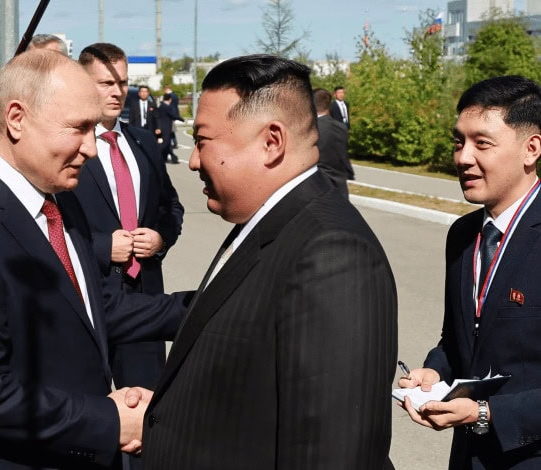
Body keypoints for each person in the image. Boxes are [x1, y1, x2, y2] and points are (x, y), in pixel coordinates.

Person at [0, 49, 188, 470]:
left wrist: (204, 308)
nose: (91, 148)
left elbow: (94, 310)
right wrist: (110, 421)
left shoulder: (60, 203)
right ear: (17, 119)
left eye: (93, 129)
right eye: (79, 128)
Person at [141, 55, 398, 469]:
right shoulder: (267, 219)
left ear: (271, 142)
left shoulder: (333, 254)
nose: (193, 161)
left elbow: (331, 453)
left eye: (203, 141)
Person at [398, 75, 541, 468]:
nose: (462, 157)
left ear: (531, 149)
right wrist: (434, 371)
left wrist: (485, 413)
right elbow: (459, 339)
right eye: (458, 142)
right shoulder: (462, 235)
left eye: (482, 143)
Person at [74, 43, 184, 469]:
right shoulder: (69, 144)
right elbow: (45, 225)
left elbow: (170, 206)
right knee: (92, 418)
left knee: (146, 417)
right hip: (90, 303)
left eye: (122, 82)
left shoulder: (141, 143)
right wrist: (103, 247)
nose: (117, 91)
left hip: (144, 300)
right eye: (106, 82)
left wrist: (160, 237)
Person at [0, 33, 69, 144]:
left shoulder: (79, 98)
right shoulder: (14, 97)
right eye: (33, 61)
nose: (40, 67)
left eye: (49, 60)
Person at [313, 88, 353, 196]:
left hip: (318, 185)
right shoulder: (341, 128)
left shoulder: (311, 128)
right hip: (339, 185)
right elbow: (343, 154)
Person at [155, 93, 181, 164]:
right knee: (165, 143)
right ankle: (158, 156)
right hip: (166, 128)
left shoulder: (161, 106)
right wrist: (182, 119)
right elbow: (173, 115)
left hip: (161, 127)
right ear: (170, 99)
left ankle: (167, 158)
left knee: (168, 144)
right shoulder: (167, 107)